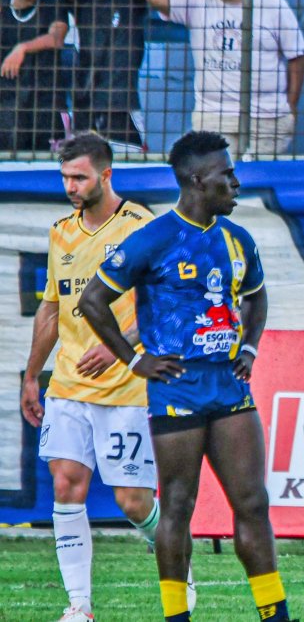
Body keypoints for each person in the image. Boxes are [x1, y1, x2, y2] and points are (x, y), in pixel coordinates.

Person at [79, 130, 293, 622]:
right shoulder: (153, 239)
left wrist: (251, 346)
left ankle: (275, 614)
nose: (236, 183)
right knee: (177, 504)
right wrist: (135, 362)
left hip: (229, 386)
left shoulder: (238, 239)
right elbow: (93, 300)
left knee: (253, 502)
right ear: (197, 180)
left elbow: (256, 296)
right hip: (176, 389)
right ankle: (177, 616)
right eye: (227, 175)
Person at [20, 134, 161, 622]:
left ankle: (168, 546)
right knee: (66, 484)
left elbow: (160, 302)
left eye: (79, 177)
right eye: (65, 177)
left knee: (131, 500)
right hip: (68, 386)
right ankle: (79, 605)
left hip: (124, 386)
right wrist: (32, 375)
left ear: (106, 175)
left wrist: (118, 345)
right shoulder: (61, 231)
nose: (70, 186)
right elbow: (51, 307)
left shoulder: (141, 225)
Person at [145, 0, 304, 159]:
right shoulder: (198, 0)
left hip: (268, 116)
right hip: (214, 116)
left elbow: (297, 56)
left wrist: (291, 105)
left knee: (256, 181)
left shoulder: (274, 6)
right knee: (217, 183)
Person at [61, 0, 149, 152]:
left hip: (121, 107)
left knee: (126, 178)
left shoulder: (131, 0)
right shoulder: (83, 0)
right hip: (86, 108)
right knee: (84, 176)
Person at [0, 0, 68, 151]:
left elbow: (57, 37)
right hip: (7, 112)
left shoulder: (52, 7)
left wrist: (23, 48)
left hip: (46, 111)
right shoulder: (3, 10)